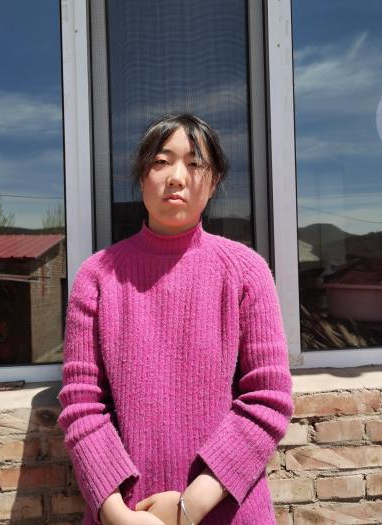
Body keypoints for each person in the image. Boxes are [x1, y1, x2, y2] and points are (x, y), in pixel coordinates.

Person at [57, 113, 294, 525]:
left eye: (195, 163)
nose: (177, 178)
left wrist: (190, 506)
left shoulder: (246, 271)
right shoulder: (96, 276)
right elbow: (82, 404)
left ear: (214, 181)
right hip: (129, 513)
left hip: (227, 510)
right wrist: (115, 513)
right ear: (141, 177)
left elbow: (267, 399)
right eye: (161, 162)